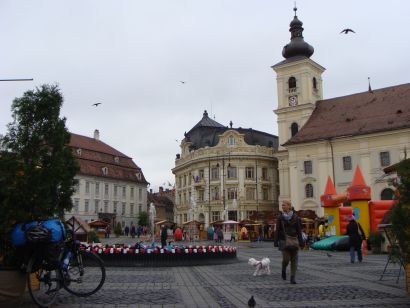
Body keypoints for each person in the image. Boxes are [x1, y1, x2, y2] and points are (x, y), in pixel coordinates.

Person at [274, 200, 303, 284]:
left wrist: (301, 242)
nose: (282, 207)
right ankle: (283, 269)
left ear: (289, 206)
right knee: (286, 259)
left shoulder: (295, 217)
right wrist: (276, 241)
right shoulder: (280, 217)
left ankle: (292, 277)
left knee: (294, 259)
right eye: (282, 205)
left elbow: (299, 230)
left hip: (294, 240)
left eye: (284, 205)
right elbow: (277, 230)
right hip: (284, 240)